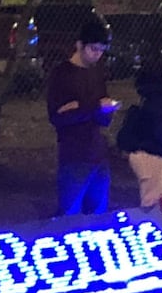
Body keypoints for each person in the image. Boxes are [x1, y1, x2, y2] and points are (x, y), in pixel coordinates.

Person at [47, 17, 119, 216]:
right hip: (74, 155)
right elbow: (58, 117)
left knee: (98, 213)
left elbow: (98, 113)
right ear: (80, 45)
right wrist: (94, 107)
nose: (97, 55)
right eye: (93, 49)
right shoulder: (61, 74)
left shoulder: (96, 73)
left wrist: (94, 109)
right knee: (70, 214)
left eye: (101, 50)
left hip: (97, 153)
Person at [120, 53, 162, 209]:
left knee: (160, 203)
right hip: (153, 154)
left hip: (152, 152)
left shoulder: (158, 92)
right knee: (155, 205)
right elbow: (160, 131)